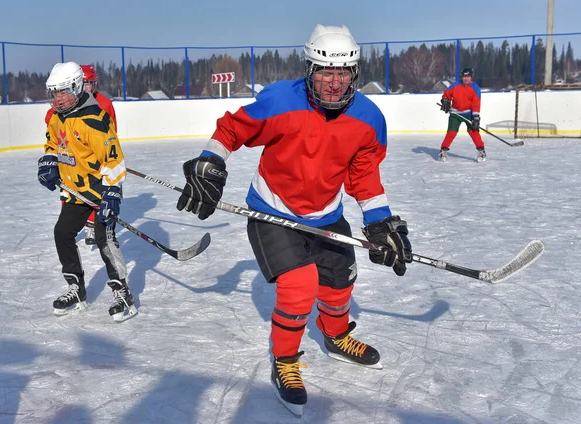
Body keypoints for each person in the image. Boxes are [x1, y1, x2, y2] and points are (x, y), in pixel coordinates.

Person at [175, 24, 412, 416]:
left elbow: (364, 176)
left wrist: (380, 222)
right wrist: (211, 159)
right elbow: (233, 128)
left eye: (342, 73)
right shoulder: (281, 101)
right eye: (324, 72)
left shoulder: (370, 119)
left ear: (355, 73)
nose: (333, 83)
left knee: (340, 282)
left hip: (326, 214)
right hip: (272, 211)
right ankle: (285, 360)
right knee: (300, 286)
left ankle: (335, 336)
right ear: (309, 70)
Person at [38, 61, 136, 322]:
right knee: (62, 233)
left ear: (78, 87)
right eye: (54, 93)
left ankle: (122, 291)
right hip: (75, 191)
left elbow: (113, 160)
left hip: (100, 190)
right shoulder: (59, 118)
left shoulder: (94, 120)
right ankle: (76, 288)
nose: (57, 98)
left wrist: (112, 193)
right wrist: (49, 162)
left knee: (105, 238)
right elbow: (52, 143)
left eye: (63, 92)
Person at [44, 64, 118, 246]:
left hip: (94, 156)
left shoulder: (104, 103)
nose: (87, 88)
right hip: (70, 158)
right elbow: (54, 129)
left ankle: (100, 227)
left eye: (90, 83)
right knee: (70, 193)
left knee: (99, 191)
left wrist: (104, 154)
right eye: (84, 83)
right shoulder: (60, 108)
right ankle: (81, 223)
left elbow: (110, 132)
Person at [438, 67, 487, 162]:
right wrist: (445, 100)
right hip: (455, 113)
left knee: (474, 132)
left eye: (468, 76)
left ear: (471, 77)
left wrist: (475, 117)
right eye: (464, 76)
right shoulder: (455, 85)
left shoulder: (475, 88)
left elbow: (476, 104)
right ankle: (443, 150)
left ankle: (481, 151)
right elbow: (446, 94)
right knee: (451, 133)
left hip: (469, 113)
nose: (466, 79)